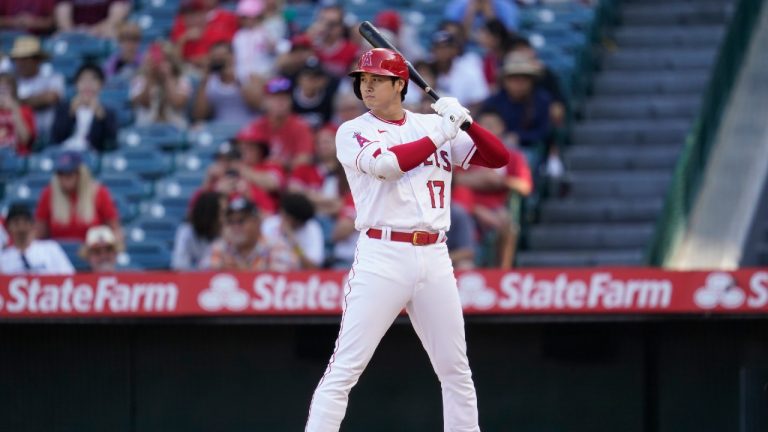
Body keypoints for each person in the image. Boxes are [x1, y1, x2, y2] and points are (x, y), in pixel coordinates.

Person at [304, 48, 510, 431]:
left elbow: (498, 158)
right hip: (383, 254)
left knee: (456, 370)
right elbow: (387, 166)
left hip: (434, 256)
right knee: (345, 368)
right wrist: (442, 130)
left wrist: (467, 122)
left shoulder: (431, 125)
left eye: (376, 80)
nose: (366, 86)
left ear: (400, 84)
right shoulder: (353, 130)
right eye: (363, 80)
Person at [456, 109, 532, 268]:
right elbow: (454, 181)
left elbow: (525, 186)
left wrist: (501, 181)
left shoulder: (512, 156)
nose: (487, 129)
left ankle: (502, 273)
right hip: (467, 208)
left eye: (492, 125)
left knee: (508, 225)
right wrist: (476, 206)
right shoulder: (465, 152)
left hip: (497, 209)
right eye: (482, 126)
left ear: (501, 128)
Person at [35, 150, 122, 242]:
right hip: (57, 253)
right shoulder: (49, 194)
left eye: (70, 173)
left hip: (91, 253)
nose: (65, 178)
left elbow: (115, 230)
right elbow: (39, 233)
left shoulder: (99, 193)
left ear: (80, 173)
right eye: (61, 174)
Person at [239, 76, 314, 169]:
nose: (280, 102)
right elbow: (241, 155)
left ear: (290, 101)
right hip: (261, 176)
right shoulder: (256, 126)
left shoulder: (300, 126)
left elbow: (304, 159)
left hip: (289, 177)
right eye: (275, 98)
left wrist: (280, 164)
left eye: (284, 98)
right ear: (265, 101)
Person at [481, 51, 552, 149]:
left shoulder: (542, 100)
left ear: (532, 81)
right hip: (497, 148)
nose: (520, 83)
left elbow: (544, 132)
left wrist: (520, 137)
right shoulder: (493, 102)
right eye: (514, 78)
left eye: (525, 78)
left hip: (529, 148)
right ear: (504, 80)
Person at [51, 64, 117, 152]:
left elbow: (111, 142)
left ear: (101, 85)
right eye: (83, 80)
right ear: (76, 84)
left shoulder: (108, 112)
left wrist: (101, 117)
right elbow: (56, 138)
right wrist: (70, 114)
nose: (88, 85)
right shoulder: (64, 108)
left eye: (93, 80)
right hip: (65, 154)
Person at [192, 42, 260, 126]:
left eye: (223, 56)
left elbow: (257, 104)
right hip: (220, 129)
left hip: (247, 128)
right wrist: (205, 81)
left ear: (233, 56)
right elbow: (199, 116)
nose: (220, 60)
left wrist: (235, 79)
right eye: (216, 57)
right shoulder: (209, 82)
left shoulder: (248, 75)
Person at [10, 36, 65, 139]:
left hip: (46, 132)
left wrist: (13, 104)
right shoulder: (11, 79)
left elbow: (50, 98)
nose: (20, 63)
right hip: (17, 135)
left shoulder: (51, 75)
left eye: (25, 58)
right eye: (17, 59)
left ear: (37, 60)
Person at [129, 41, 193, 129]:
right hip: (146, 129)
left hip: (175, 128)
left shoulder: (182, 80)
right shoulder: (139, 80)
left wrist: (168, 77)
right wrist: (150, 77)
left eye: (165, 60)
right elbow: (145, 103)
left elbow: (178, 103)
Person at [0, 203, 74, 275]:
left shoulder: (51, 249)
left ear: (32, 225)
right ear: (8, 227)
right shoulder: (3, 258)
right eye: (16, 223)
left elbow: (69, 276)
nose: (21, 228)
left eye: (25, 222)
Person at [260, 192, 324, 271]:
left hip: (298, 277)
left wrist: (294, 243)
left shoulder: (312, 229)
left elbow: (314, 268)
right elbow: (260, 256)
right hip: (270, 272)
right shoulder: (270, 224)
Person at [430, 30, 489, 111]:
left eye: (446, 48)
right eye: (438, 48)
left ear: (455, 50)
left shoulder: (468, 70)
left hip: (464, 117)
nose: (442, 52)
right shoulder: (426, 71)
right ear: (433, 51)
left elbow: (479, 100)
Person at [170, 0, 239, 70]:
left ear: (203, 15)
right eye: (187, 16)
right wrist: (183, 40)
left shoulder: (215, 32)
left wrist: (193, 61)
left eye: (194, 15)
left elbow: (223, 57)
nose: (190, 19)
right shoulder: (183, 35)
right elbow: (176, 64)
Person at [206, 197, 267, 270]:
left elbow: (280, 274)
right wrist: (219, 270)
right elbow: (200, 273)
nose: (235, 227)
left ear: (257, 222)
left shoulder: (272, 247)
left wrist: (242, 273)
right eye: (230, 222)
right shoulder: (220, 247)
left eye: (240, 221)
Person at [172, 190, 224, 270]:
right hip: (190, 279)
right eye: (222, 212)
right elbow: (178, 264)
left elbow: (220, 263)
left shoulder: (226, 232)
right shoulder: (186, 230)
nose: (225, 217)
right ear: (210, 212)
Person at [306, 4, 358, 78]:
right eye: (322, 21)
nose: (326, 27)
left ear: (341, 26)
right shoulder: (310, 45)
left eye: (332, 24)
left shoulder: (351, 49)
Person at [54, 0, 131, 39]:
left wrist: (95, 30)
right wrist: (73, 32)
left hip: (103, 31)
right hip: (76, 32)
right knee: (59, 37)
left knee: (114, 33)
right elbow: (62, 11)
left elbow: (117, 14)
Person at [0, 73, 36, 155]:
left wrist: (14, 111)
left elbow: (25, 140)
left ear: (13, 91)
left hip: (18, 155)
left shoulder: (25, 111)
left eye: (4, 90)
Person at [444, 0, 519, 35]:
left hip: (497, 55)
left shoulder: (507, 7)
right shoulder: (455, 6)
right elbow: (452, 40)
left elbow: (508, 40)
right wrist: (470, 12)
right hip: (464, 53)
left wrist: (489, 13)